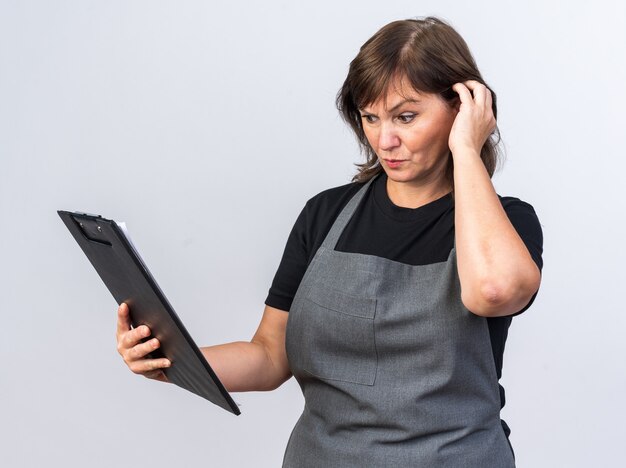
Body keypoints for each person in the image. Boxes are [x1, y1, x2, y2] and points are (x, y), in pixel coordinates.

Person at [116, 16, 543, 467]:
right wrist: (173, 363)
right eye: (370, 118)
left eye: (406, 116)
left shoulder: (508, 223)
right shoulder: (325, 214)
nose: (385, 139)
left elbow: (493, 291)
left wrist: (467, 151)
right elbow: (269, 355)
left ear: (461, 108)